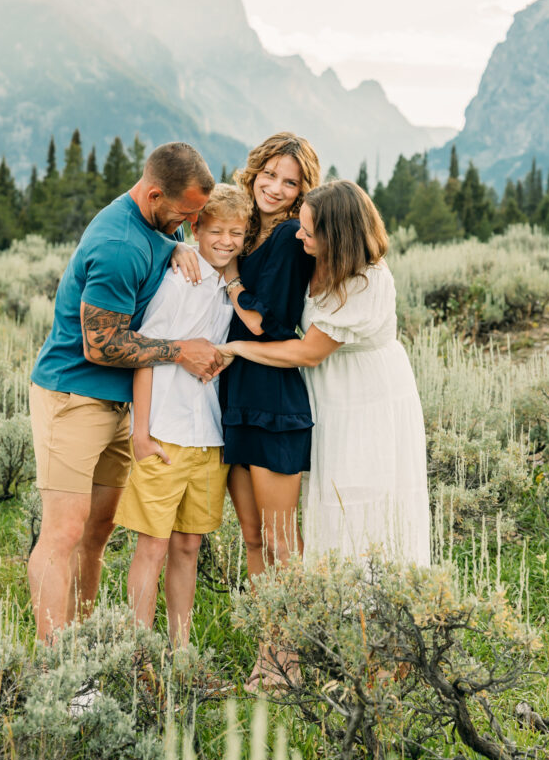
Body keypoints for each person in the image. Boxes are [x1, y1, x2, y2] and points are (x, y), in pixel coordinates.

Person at [27, 142, 221, 642]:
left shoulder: (156, 223)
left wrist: (178, 244)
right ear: (155, 194)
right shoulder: (118, 245)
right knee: (64, 533)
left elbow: (164, 242)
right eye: (185, 214)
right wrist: (180, 351)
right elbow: (100, 344)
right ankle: (56, 667)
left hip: (121, 406)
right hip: (74, 398)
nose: (190, 223)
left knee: (96, 535)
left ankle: (86, 649)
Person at [220, 180, 431, 567]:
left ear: (337, 235)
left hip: (366, 393)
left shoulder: (366, 278)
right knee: (328, 497)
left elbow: (309, 352)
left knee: (361, 495)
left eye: (307, 230)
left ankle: (371, 606)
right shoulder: (319, 260)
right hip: (329, 390)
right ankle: (327, 607)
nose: (298, 234)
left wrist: (235, 349)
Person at [116, 185, 251, 648]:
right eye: (216, 231)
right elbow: (145, 354)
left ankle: (180, 651)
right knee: (151, 546)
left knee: (189, 546)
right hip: (165, 435)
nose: (227, 241)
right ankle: (138, 657)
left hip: (207, 437)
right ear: (196, 228)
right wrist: (141, 433)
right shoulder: (181, 282)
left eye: (237, 232)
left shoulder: (227, 286)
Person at [220, 132, 321, 688]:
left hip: (273, 399)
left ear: (303, 192)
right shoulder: (246, 228)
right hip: (236, 393)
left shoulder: (285, 238)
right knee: (253, 538)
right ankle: (269, 652)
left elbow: (266, 324)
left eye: (291, 182)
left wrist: (232, 278)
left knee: (283, 541)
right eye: (271, 174)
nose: (276, 188)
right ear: (255, 169)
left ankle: (293, 658)